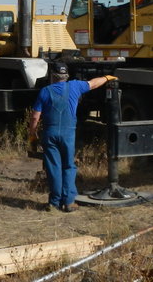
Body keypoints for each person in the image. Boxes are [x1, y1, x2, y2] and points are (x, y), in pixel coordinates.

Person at [28, 64, 115, 212]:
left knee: (53, 167)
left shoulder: (45, 91)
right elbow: (94, 83)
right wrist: (107, 77)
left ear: (52, 76)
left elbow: (35, 117)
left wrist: (32, 134)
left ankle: (54, 203)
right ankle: (68, 202)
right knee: (68, 165)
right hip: (68, 134)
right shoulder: (75, 86)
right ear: (66, 76)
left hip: (50, 133)